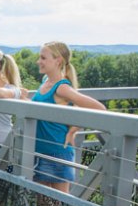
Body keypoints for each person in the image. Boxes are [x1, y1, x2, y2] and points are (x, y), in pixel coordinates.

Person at [31, 41, 107, 193]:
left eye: (43, 58)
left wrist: (74, 129)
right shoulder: (45, 82)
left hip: (57, 151)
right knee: (43, 204)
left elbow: (99, 108)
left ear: (58, 60)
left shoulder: (62, 87)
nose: (38, 61)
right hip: (40, 150)